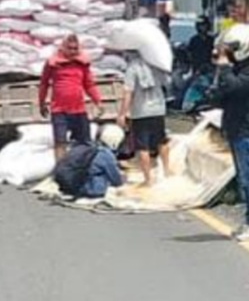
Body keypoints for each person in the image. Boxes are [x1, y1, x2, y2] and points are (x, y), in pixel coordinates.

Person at [207, 23, 249, 241]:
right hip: (236, 129)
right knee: (244, 179)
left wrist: (224, 67)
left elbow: (233, 87)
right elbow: (222, 94)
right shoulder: (239, 70)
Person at [39, 33, 104, 161]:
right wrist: (41, 103)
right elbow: (44, 83)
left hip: (79, 110)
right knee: (60, 142)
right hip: (59, 110)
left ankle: (82, 170)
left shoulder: (82, 64)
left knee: (85, 142)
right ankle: (61, 172)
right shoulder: (53, 63)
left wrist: (98, 101)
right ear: (63, 47)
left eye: (75, 48)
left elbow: (89, 84)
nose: (73, 51)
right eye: (70, 48)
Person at [118, 48, 171, 186]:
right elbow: (167, 83)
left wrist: (123, 113)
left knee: (143, 146)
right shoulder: (157, 64)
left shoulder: (132, 67)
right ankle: (167, 171)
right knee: (162, 140)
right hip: (159, 109)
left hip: (141, 111)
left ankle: (148, 179)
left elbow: (128, 92)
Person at [80, 123, 126, 199]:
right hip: (94, 189)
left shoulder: (90, 148)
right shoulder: (106, 154)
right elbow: (116, 179)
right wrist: (123, 179)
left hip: (79, 185)